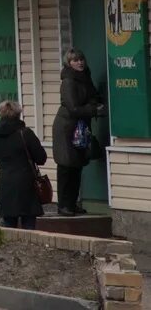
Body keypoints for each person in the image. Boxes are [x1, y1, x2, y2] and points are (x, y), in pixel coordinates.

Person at [52, 47, 105, 216]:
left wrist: (96, 102)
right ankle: (63, 205)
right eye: (75, 60)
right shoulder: (68, 81)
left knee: (77, 167)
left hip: (80, 126)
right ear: (69, 63)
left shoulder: (85, 78)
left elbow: (93, 96)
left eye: (81, 59)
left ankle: (72, 203)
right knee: (66, 167)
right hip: (67, 127)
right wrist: (93, 110)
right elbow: (73, 107)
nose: (79, 62)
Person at [0, 99, 46, 228]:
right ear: (18, 114)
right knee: (28, 224)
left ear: (0, 115)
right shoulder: (25, 133)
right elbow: (41, 158)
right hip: (26, 183)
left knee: (9, 224)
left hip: (5, 182)